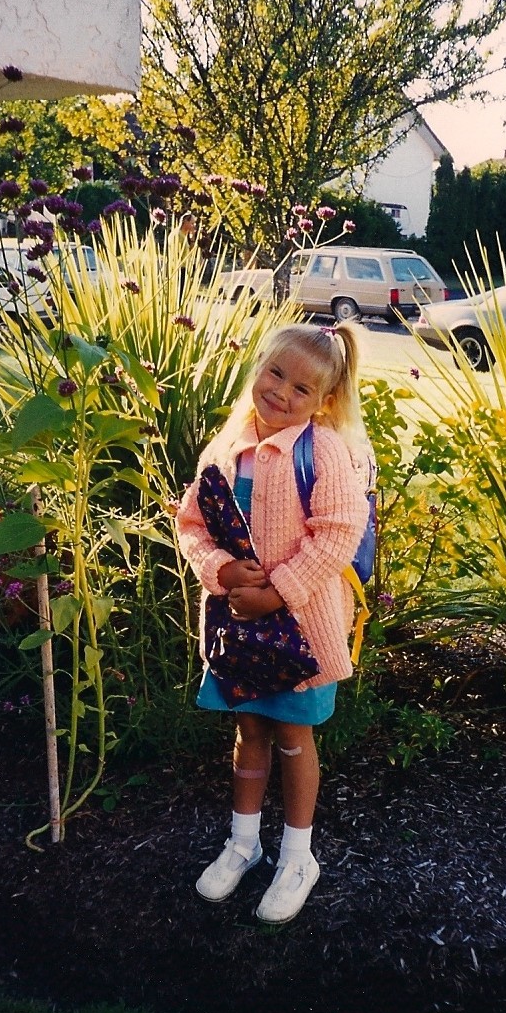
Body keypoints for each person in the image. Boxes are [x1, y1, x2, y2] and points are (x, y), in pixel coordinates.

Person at [176, 321, 372, 924]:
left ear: (325, 401)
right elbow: (192, 525)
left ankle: (297, 856)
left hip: (302, 635)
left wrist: (277, 592)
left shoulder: (323, 451)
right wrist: (219, 570)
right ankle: (244, 843)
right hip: (237, 630)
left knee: (293, 736)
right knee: (250, 733)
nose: (282, 392)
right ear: (259, 367)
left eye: (302, 389)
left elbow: (338, 534)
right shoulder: (227, 447)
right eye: (275, 373)